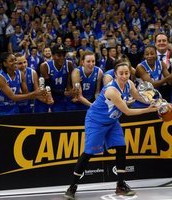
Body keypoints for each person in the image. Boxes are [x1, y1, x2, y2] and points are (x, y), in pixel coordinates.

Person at [64, 58, 158, 199]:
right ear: (115, 74)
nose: (125, 76)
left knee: (121, 147)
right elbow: (127, 112)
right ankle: (72, 187)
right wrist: (149, 110)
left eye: (127, 73)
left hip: (112, 121)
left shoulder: (129, 84)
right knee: (88, 153)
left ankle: (120, 185)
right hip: (96, 121)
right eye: (121, 73)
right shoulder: (111, 90)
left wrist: (153, 101)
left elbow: (138, 97)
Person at [35, 44, 75, 112]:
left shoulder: (69, 64)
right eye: (59, 55)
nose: (62, 57)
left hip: (61, 97)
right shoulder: (45, 66)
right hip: (47, 94)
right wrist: (63, 93)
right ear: (52, 56)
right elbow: (47, 86)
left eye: (64, 55)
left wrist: (71, 92)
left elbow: (68, 84)